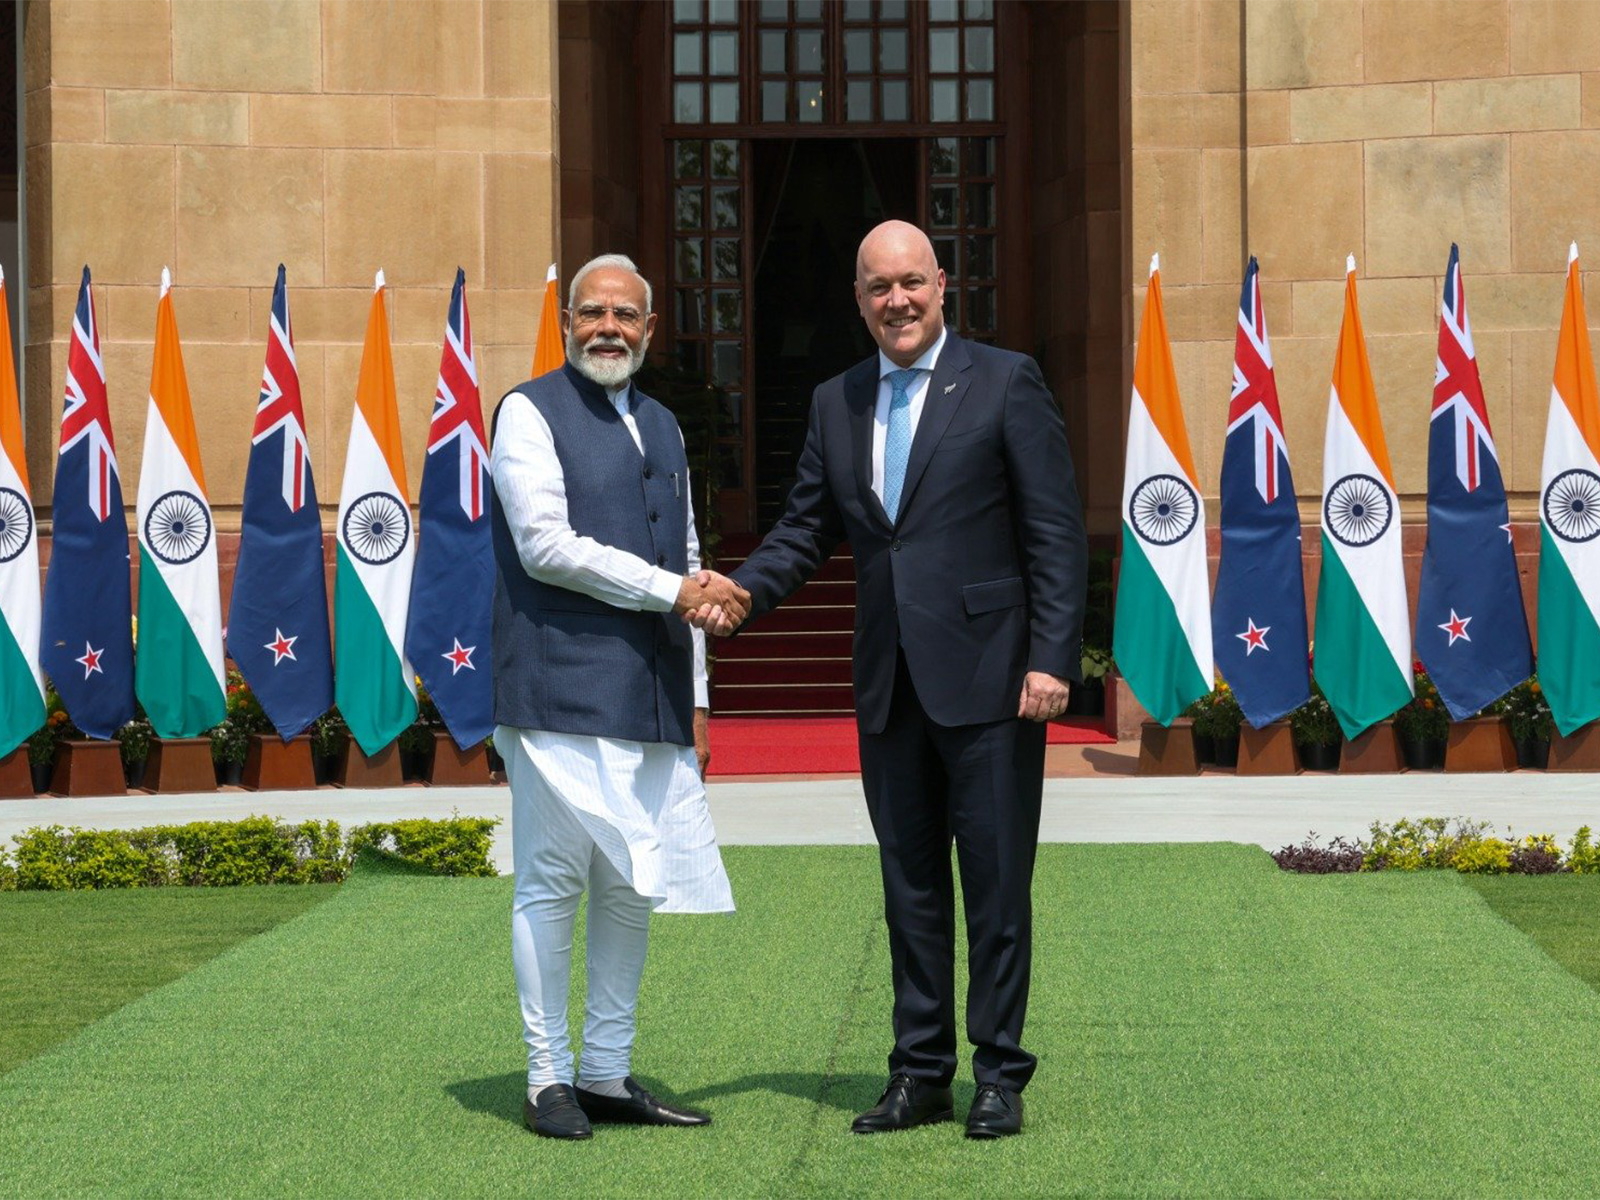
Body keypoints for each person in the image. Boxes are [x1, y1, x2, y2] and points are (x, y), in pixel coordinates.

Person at [714, 220, 1087, 1139]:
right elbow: (807, 528)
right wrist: (743, 590)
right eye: (879, 287)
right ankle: (919, 1073)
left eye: (912, 282)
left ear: (942, 284)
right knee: (909, 889)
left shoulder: (1005, 381)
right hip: (889, 683)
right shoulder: (835, 400)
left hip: (993, 680)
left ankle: (998, 1074)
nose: (898, 301)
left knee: (995, 888)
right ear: (859, 300)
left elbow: (1053, 530)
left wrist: (1051, 657)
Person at [488, 253, 748, 1141]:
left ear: (648, 329)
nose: (609, 327)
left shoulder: (665, 425)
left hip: (653, 693)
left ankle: (603, 1072)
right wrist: (672, 591)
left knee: (634, 883)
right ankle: (546, 1078)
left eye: (626, 315)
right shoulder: (527, 412)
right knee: (553, 881)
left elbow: (687, 555)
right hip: (557, 687)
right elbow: (545, 546)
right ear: (566, 323)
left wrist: (698, 698)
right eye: (592, 312)